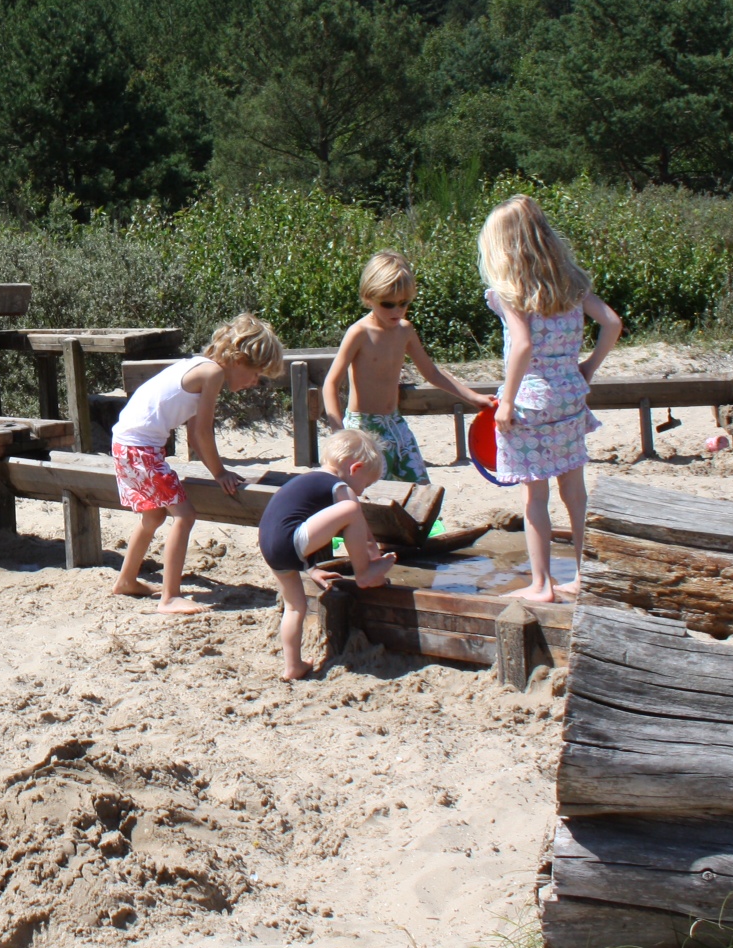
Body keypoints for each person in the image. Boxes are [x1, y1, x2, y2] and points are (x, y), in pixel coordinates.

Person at [480, 195, 623, 604]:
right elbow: (612, 323)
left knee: (534, 496)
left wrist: (506, 400)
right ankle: (583, 577)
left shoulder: (511, 290)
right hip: (570, 396)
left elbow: (522, 346)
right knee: (574, 492)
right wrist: (588, 368)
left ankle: (541, 585)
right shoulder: (570, 284)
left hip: (532, 400)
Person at [109, 313, 287, 615]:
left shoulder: (197, 366)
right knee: (185, 516)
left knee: (153, 517)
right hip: (141, 449)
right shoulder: (213, 373)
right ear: (239, 359)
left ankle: (126, 580)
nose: (254, 382)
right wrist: (219, 473)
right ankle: (169, 597)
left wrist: (216, 469)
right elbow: (202, 432)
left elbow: (193, 432)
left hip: (125, 444)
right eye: (256, 373)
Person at [322, 251, 495, 484]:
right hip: (364, 426)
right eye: (388, 304)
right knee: (372, 492)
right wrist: (339, 433)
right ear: (368, 298)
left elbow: (431, 372)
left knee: (419, 488)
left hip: (395, 423)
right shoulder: (360, 333)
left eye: (404, 303)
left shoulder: (405, 331)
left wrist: (473, 397)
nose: (397, 311)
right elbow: (331, 384)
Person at [256, 429, 396, 680]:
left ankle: (293, 666)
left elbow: (293, 525)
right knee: (351, 509)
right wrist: (373, 559)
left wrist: (311, 568)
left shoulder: (306, 481)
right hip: (290, 542)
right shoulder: (340, 487)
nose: (363, 491)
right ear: (356, 468)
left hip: (271, 547)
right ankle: (363, 573)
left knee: (295, 607)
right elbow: (360, 525)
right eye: (367, 483)